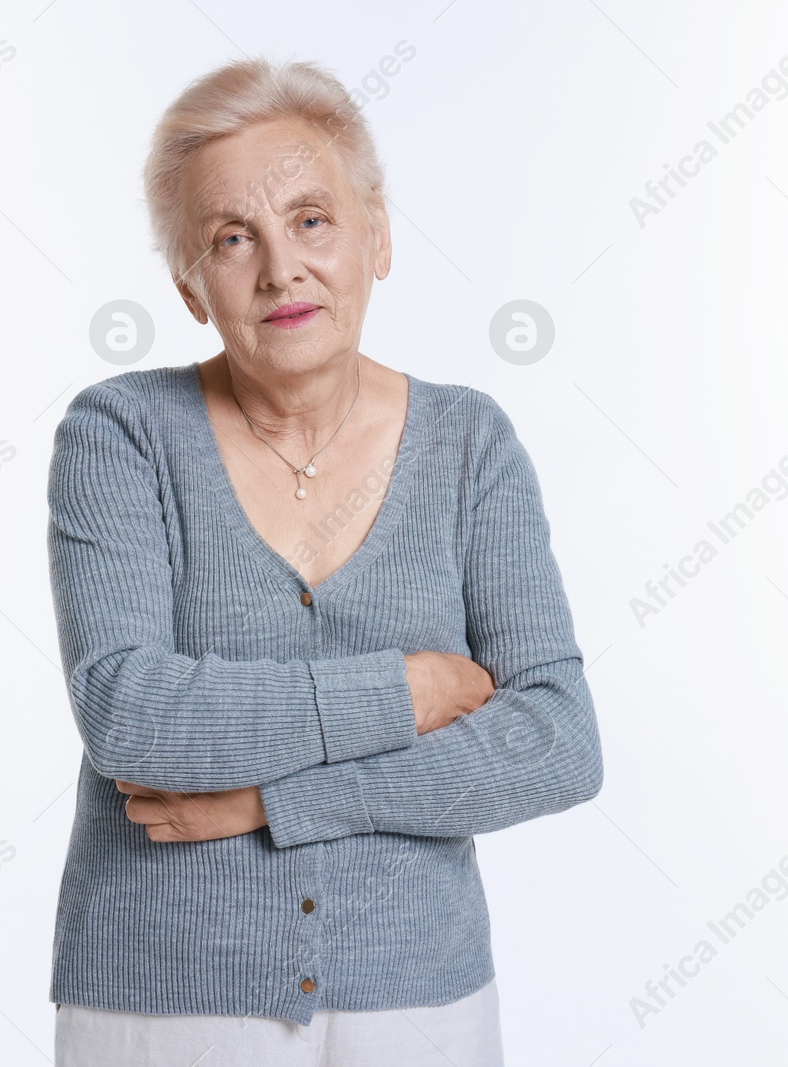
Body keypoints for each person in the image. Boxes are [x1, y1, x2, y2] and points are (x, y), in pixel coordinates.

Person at [45, 55, 603, 1066]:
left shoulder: (469, 444)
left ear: (376, 236)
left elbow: (557, 742)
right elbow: (130, 712)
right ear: (188, 282)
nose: (279, 269)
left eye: (312, 220)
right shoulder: (119, 434)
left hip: (418, 997)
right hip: (166, 999)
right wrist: (412, 687)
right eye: (231, 237)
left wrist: (271, 801)